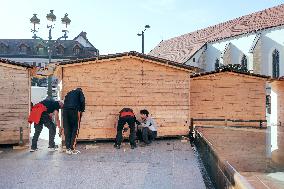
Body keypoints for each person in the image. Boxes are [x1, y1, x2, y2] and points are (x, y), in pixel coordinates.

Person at [63, 88, 85, 155]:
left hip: (65, 111)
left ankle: (67, 148)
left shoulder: (69, 92)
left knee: (67, 129)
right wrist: (82, 110)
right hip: (74, 111)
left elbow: (65, 101)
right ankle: (72, 148)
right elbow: (82, 100)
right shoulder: (79, 92)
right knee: (74, 129)